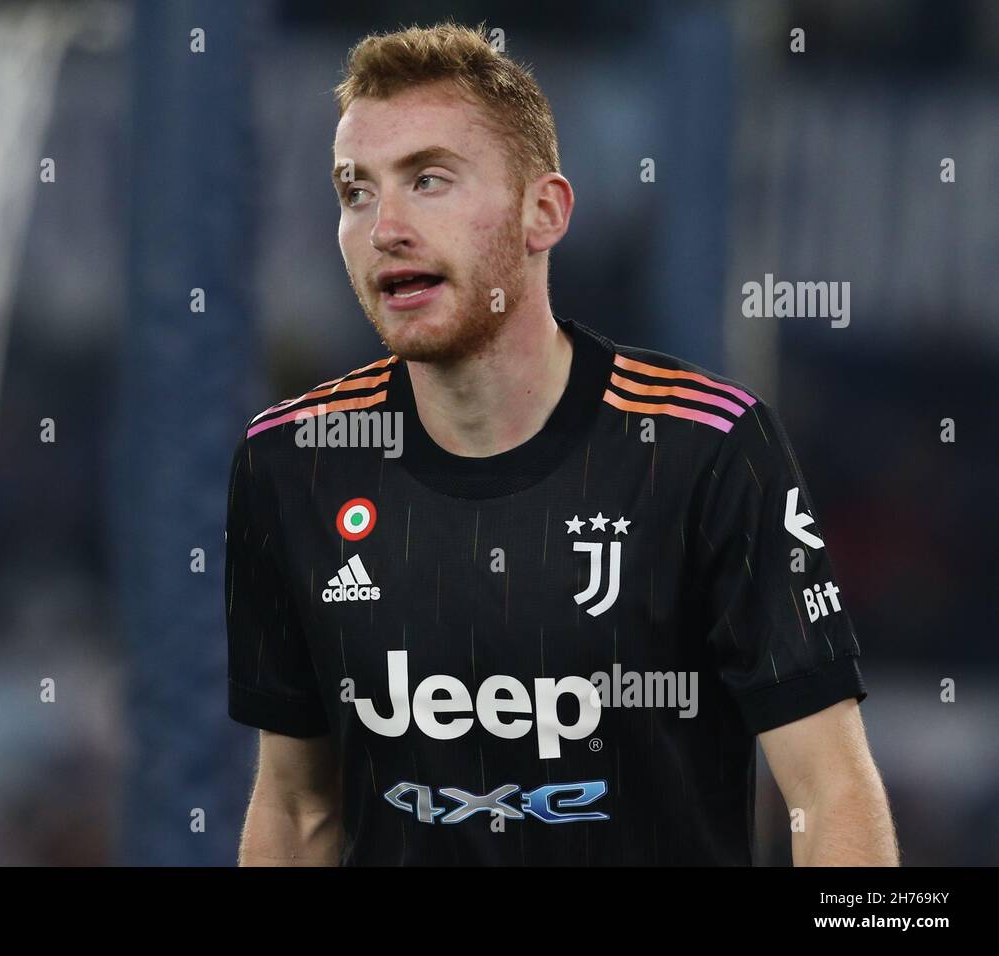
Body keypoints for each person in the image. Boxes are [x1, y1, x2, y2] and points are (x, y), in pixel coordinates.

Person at [225, 21, 898, 865]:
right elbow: (295, 808)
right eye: (355, 191)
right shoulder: (292, 463)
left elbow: (829, 790)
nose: (384, 225)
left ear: (544, 212)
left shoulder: (706, 450)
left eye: (428, 180)